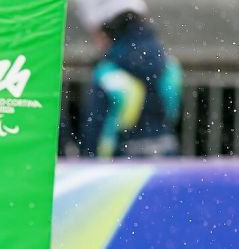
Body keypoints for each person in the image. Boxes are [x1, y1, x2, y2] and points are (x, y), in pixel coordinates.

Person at [73, 0, 182, 158]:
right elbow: (172, 113)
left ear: (105, 29)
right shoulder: (168, 65)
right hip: (166, 161)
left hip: (119, 171)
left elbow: (94, 136)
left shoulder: (107, 74)